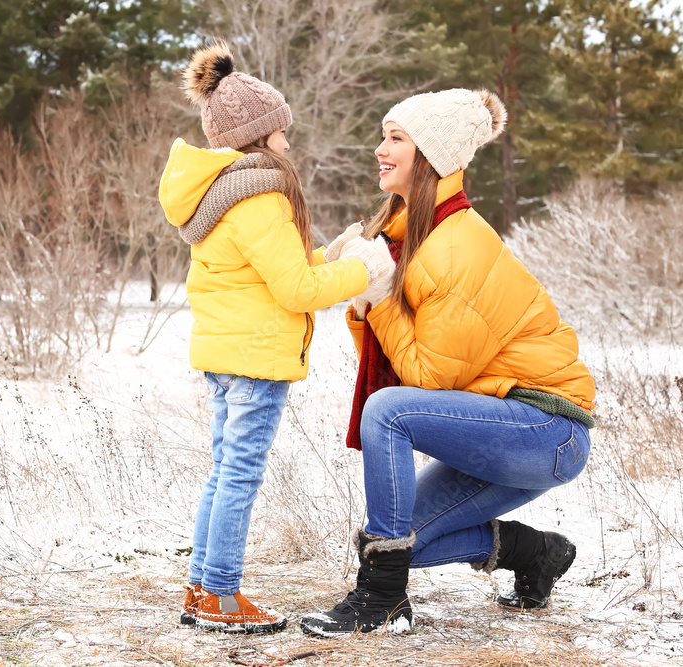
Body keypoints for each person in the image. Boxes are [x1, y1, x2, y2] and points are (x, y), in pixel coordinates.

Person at [299, 89, 596, 637]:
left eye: (396, 138)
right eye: (383, 135)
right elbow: (410, 355)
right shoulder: (409, 229)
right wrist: (367, 289)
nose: (379, 149)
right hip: (492, 421)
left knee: (388, 412)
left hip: (547, 427)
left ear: (429, 156)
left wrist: (380, 295)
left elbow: (428, 377)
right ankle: (534, 553)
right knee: (386, 544)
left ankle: (382, 599)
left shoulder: (455, 245)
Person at [158, 42, 395, 634]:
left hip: (227, 352)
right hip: (257, 359)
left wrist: (329, 255)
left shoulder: (223, 193)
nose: (289, 142)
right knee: (238, 474)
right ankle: (220, 593)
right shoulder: (262, 194)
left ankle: (201, 587)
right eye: (282, 132)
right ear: (260, 135)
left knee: (223, 470)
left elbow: (268, 272)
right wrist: (363, 272)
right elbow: (292, 290)